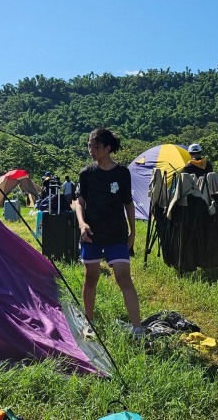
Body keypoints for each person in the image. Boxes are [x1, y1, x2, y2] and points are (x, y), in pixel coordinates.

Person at [73, 128, 144, 338]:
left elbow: (128, 203)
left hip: (116, 232)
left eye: (95, 147)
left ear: (107, 148)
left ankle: (137, 328)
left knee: (123, 278)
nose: (91, 150)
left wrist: (132, 232)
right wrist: (81, 223)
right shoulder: (86, 173)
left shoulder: (122, 173)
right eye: (89, 146)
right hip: (91, 233)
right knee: (91, 278)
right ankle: (89, 322)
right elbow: (79, 202)